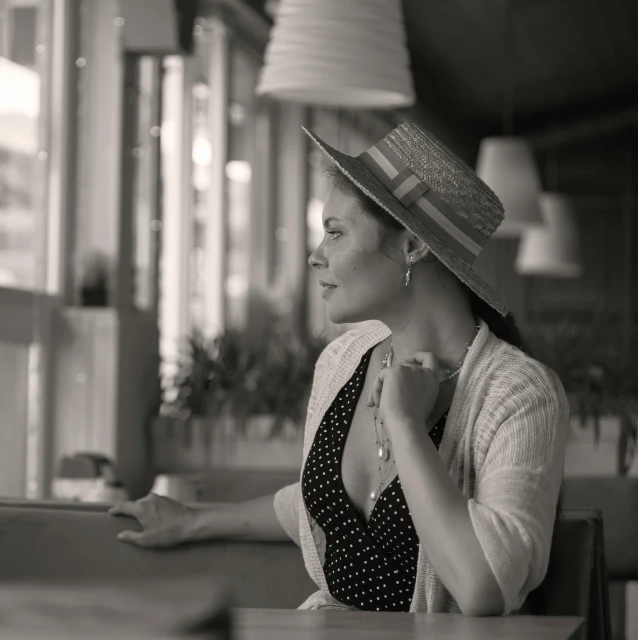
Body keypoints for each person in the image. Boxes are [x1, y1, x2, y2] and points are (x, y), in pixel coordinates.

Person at [110, 122, 569, 617]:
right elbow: (327, 504)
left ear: (413, 245)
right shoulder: (342, 361)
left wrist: (405, 425)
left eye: (335, 233)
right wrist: (193, 520)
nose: (315, 256)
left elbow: (486, 588)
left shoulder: (520, 392)